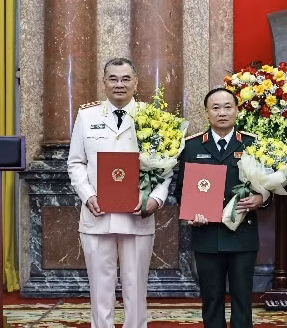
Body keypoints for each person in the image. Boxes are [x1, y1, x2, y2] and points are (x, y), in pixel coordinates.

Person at [68, 57, 168, 328]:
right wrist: (87, 195)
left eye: (125, 79)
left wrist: (156, 198)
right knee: (100, 288)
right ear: (104, 83)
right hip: (97, 213)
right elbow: (76, 162)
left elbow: (167, 164)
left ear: (136, 83)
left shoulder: (153, 117)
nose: (119, 84)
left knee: (136, 286)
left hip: (137, 214)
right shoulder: (87, 116)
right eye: (113, 79)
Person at [173, 87, 270, 328]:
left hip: (242, 234)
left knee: (242, 300)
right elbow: (180, 190)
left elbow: (271, 187)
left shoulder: (253, 144)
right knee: (212, 299)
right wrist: (191, 212)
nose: (222, 113)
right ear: (206, 113)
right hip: (206, 235)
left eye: (228, 107)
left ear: (237, 111)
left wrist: (261, 199)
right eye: (215, 108)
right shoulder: (192, 146)